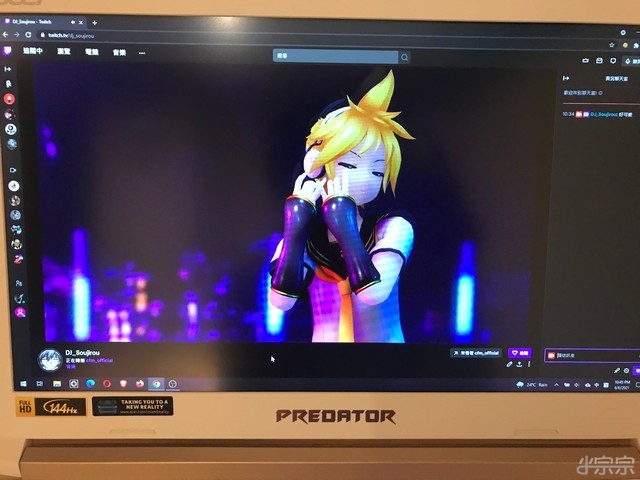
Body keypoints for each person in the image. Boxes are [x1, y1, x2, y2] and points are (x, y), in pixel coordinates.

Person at [270, 70, 414, 342]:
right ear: (315, 165)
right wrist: (296, 224)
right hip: (323, 364)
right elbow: (281, 301)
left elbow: (373, 293)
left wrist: (343, 224)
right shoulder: (306, 239)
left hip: (387, 364)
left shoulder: (393, 228)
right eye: (348, 164)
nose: (366, 180)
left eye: (377, 172)